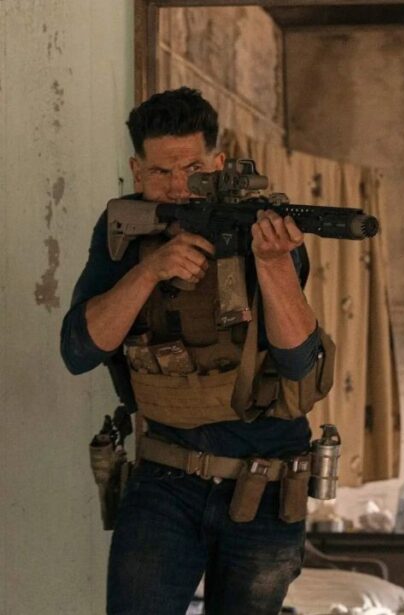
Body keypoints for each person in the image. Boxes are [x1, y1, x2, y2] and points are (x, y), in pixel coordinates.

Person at [60, 87, 335, 614]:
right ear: (136, 171)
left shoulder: (263, 225)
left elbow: (298, 361)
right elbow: (78, 350)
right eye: (161, 172)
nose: (178, 186)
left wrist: (273, 264)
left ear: (219, 163)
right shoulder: (125, 228)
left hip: (267, 482)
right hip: (165, 480)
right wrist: (149, 271)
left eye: (193, 169)